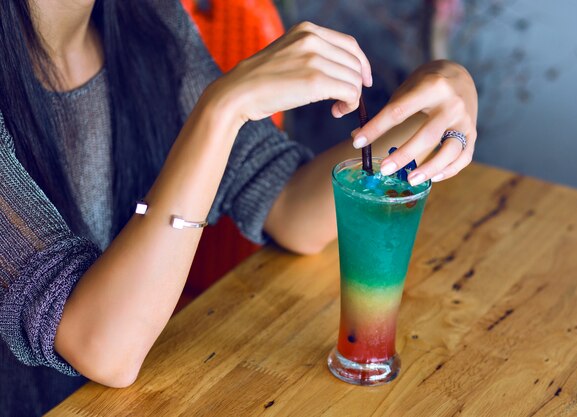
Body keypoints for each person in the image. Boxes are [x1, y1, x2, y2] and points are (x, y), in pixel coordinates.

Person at [0, 0, 477, 414]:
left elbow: (289, 206)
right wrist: (223, 108)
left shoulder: (144, 16)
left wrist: (438, 105)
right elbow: (103, 349)